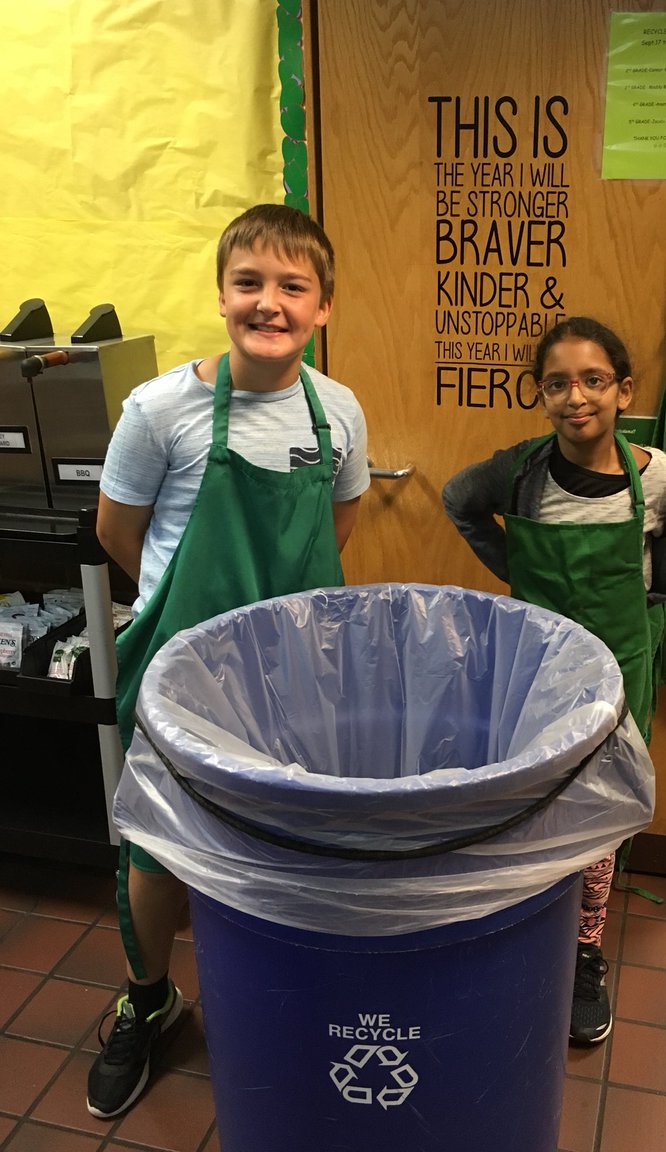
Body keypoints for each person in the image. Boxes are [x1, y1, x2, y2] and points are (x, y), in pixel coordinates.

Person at [87, 203, 370, 1118]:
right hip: (180, 674)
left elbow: (340, 526)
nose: (269, 303)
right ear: (221, 295)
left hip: (300, 677)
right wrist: (191, 615)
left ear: (324, 306)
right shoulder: (158, 411)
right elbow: (116, 533)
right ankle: (149, 998)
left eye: (293, 286)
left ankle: (282, 999)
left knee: (292, 840)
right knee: (162, 846)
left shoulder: (339, 412)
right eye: (250, 282)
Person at [442, 315, 666, 1046]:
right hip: (535, 669)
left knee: (599, 817)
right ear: (540, 394)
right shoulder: (521, 473)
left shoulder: (661, 481)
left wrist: (648, 609)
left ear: (624, 391)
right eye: (557, 383)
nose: (576, 397)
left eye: (594, 381)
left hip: (619, 671)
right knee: (530, 800)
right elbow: (458, 498)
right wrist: (514, 568)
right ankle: (520, 927)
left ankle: (585, 948)